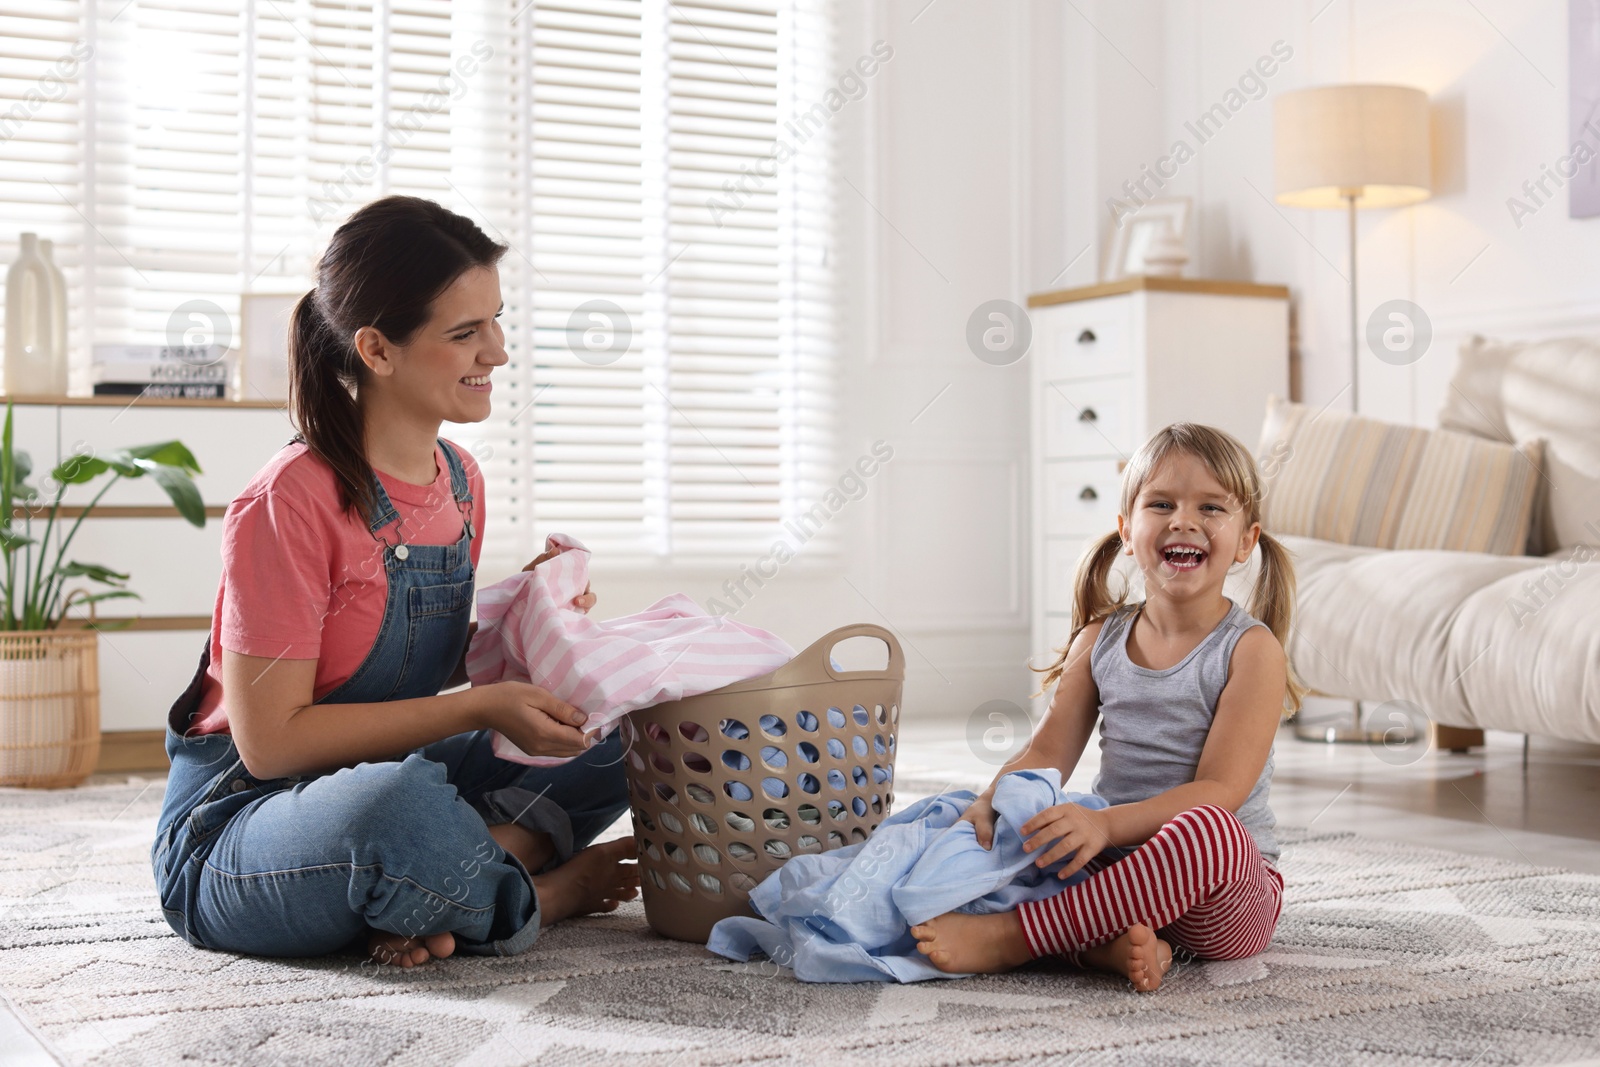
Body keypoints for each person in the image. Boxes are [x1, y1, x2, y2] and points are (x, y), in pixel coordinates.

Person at [150, 195, 639, 969]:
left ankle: (446, 880)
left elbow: (423, 658)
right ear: (377, 349)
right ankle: (538, 893)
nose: (500, 353)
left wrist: (529, 621)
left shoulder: (460, 480)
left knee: (627, 724)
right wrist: (481, 704)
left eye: (497, 322)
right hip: (242, 826)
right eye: (466, 333)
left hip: (384, 778)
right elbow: (272, 743)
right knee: (395, 809)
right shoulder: (290, 501)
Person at [911, 422, 1306, 991]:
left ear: (1247, 539)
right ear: (1127, 530)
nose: (1184, 521)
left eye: (1211, 508)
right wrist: (991, 802)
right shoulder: (1100, 640)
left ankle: (1014, 939)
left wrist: (1102, 823)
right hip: (1116, 870)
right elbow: (1047, 750)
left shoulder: (1251, 650)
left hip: (1220, 895)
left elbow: (1221, 792)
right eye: (1162, 503)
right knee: (1014, 823)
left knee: (1210, 831)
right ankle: (1099, 947)